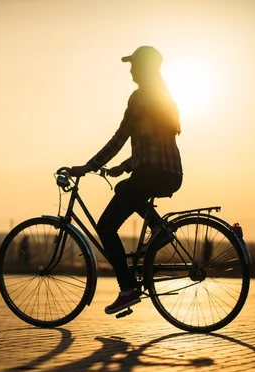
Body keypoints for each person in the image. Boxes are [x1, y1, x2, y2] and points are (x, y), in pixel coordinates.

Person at [69, 46, 183, 315]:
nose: (130, 70)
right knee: (124, 187)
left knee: (106, 226)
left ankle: (127, 289)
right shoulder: (165, 99)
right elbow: (155, 146)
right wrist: (124, 167)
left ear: (143, 68)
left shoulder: (141, 98)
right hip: (170, 174)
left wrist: (89, 165)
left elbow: (120, 137)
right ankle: (159, 230)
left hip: (152, 174)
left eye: (133, 65)